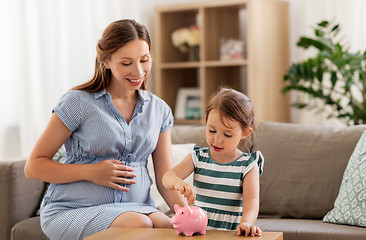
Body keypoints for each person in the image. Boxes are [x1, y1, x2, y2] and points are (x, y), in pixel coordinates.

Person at [24, 19, 186, 240]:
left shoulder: (159, 110)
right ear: (106, 61)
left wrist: (187, 212)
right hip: (73, 210)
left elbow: (164, 177)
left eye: (144, 60)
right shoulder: (77, 103)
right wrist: (90, 172)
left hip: (138, 208)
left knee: (166, 226)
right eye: (126, 63)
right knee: (138, 224)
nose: (138, 71)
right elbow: (33, 166)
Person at [162, 87, 264, 237]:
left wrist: (247, 223)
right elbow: (167, 177)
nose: (217, 140)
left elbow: (252, 201)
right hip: (197, 233)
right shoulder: (198, 157)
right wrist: (177, 182)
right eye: (212, 130)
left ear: (245, 133)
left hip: (230, 234)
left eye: (227, 134)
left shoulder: (247, 166)